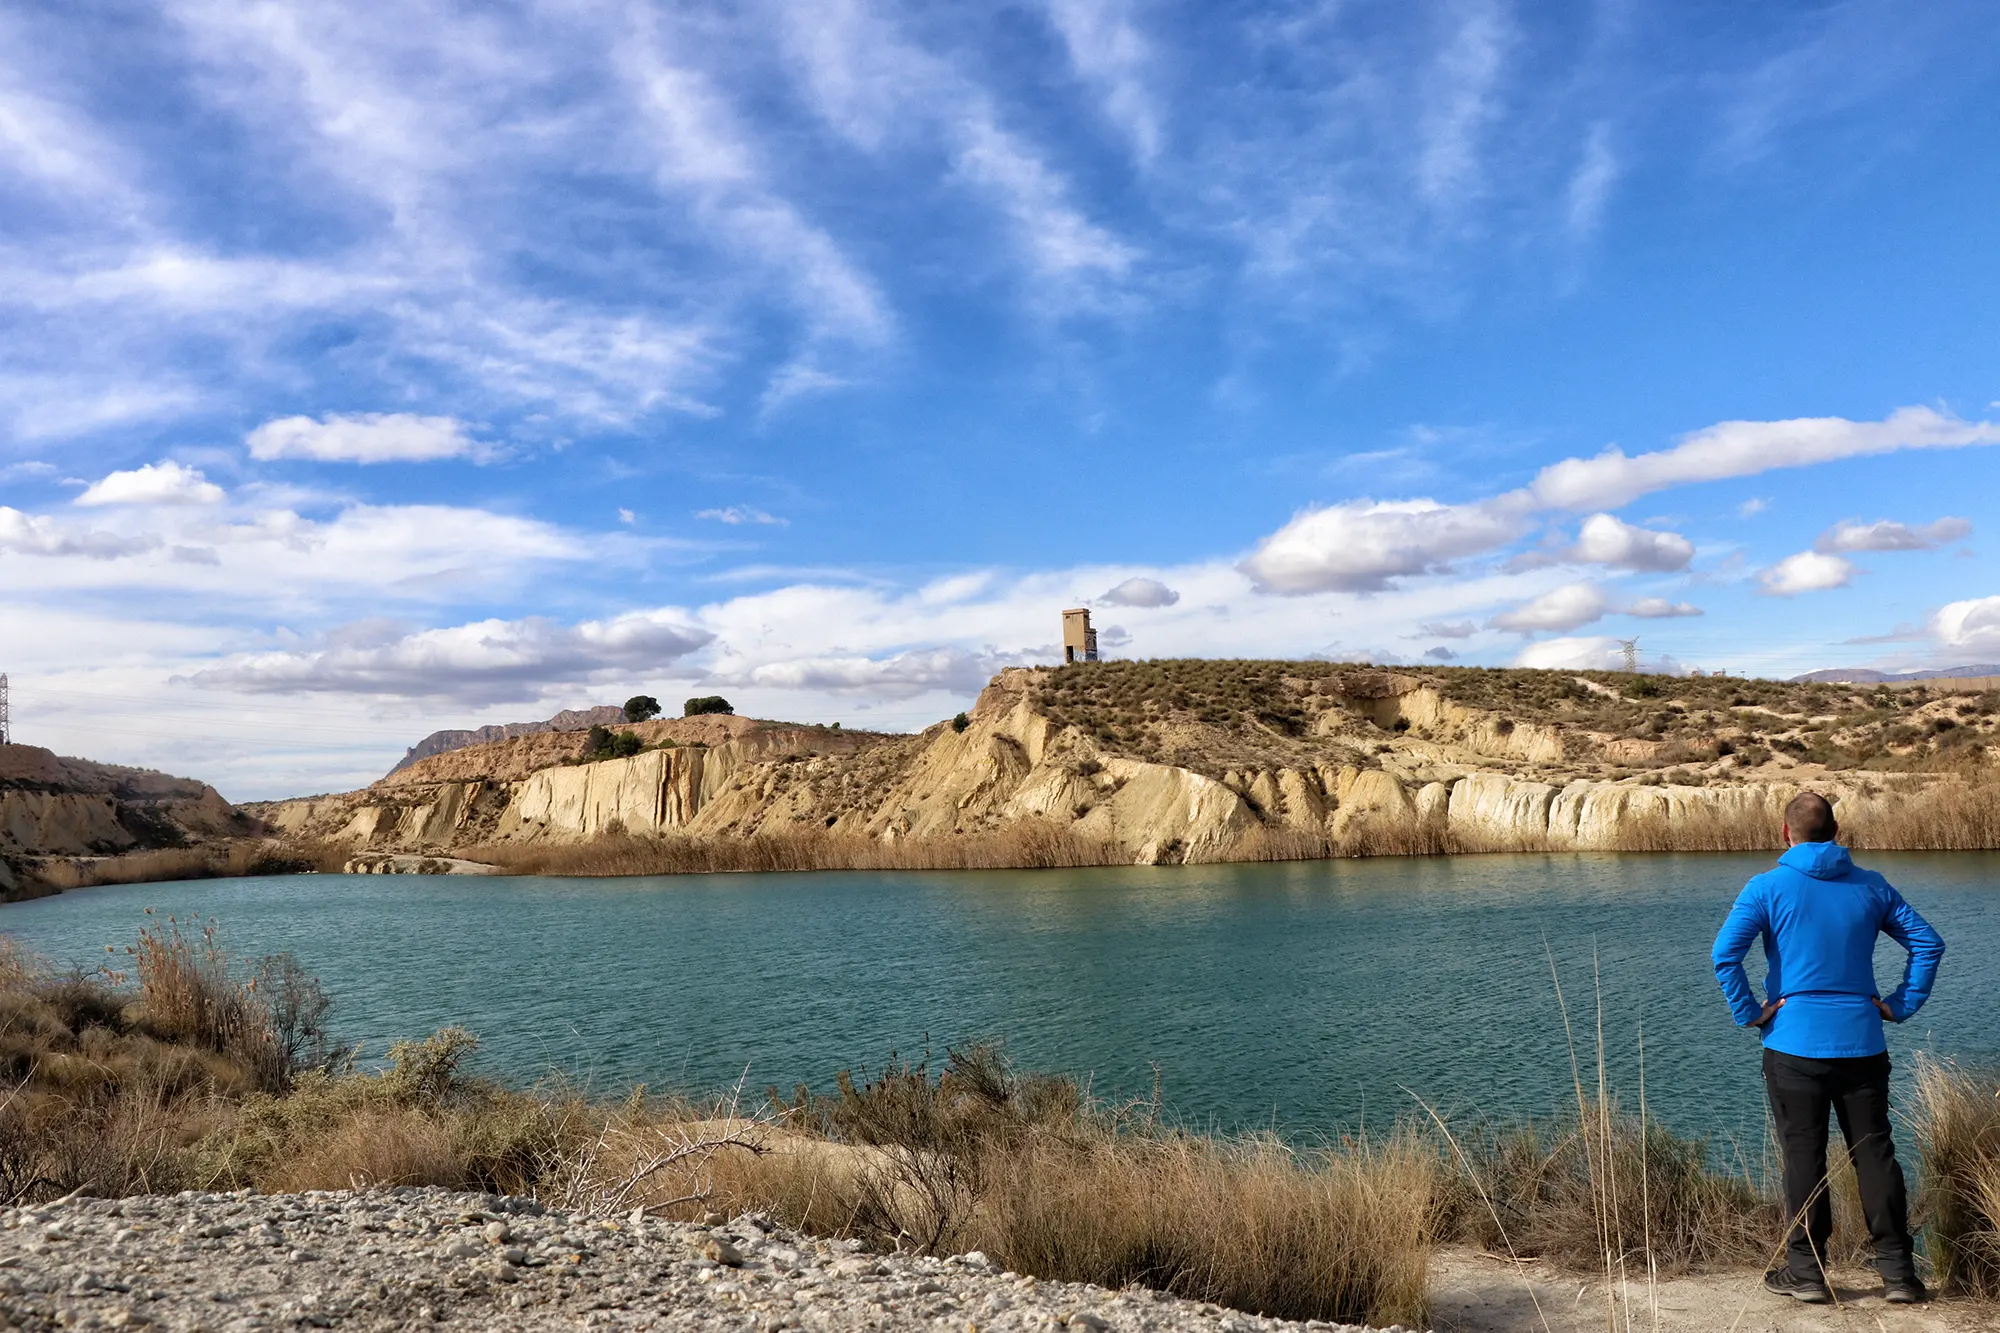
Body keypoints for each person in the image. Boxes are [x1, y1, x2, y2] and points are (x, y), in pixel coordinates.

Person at [1711, 791, 1945, 1305]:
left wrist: (1750, 1012)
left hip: (1793, 1045)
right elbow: (1929, 943)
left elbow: (1724, 954)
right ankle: (1899, 1276)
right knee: (1875, 1154)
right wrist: (1899, 1003)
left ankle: (1808, 1273)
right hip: (1862, 1041)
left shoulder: (1766, 887)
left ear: (1784, 833)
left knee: (1803, 1156)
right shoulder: (1872, 886)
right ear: (1837, 832)